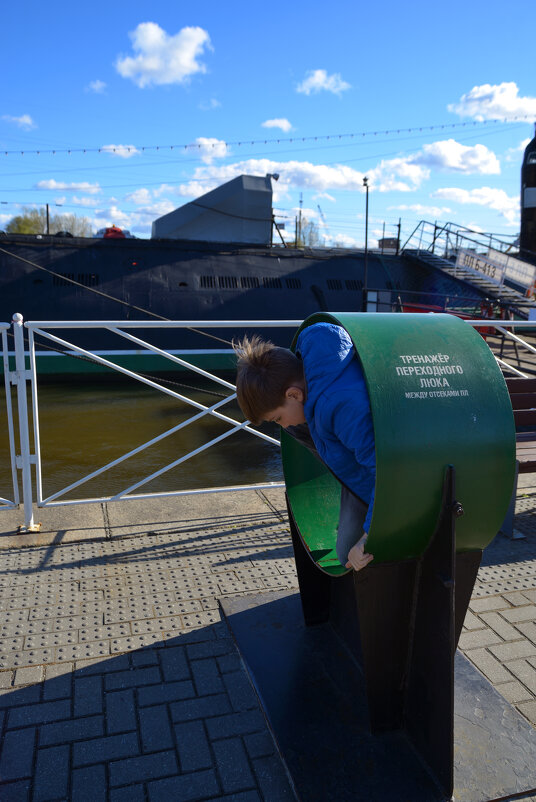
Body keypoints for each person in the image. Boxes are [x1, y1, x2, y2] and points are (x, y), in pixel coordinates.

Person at [234, 321, 375, 572]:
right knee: (344, 552)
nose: (284, 426)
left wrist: (367, 538)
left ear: (294, 394)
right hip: (358, 477)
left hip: (386, 481)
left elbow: (387, 473)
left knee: (353, 556)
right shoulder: (312, 388)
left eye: (277, 418)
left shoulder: (343, 407)